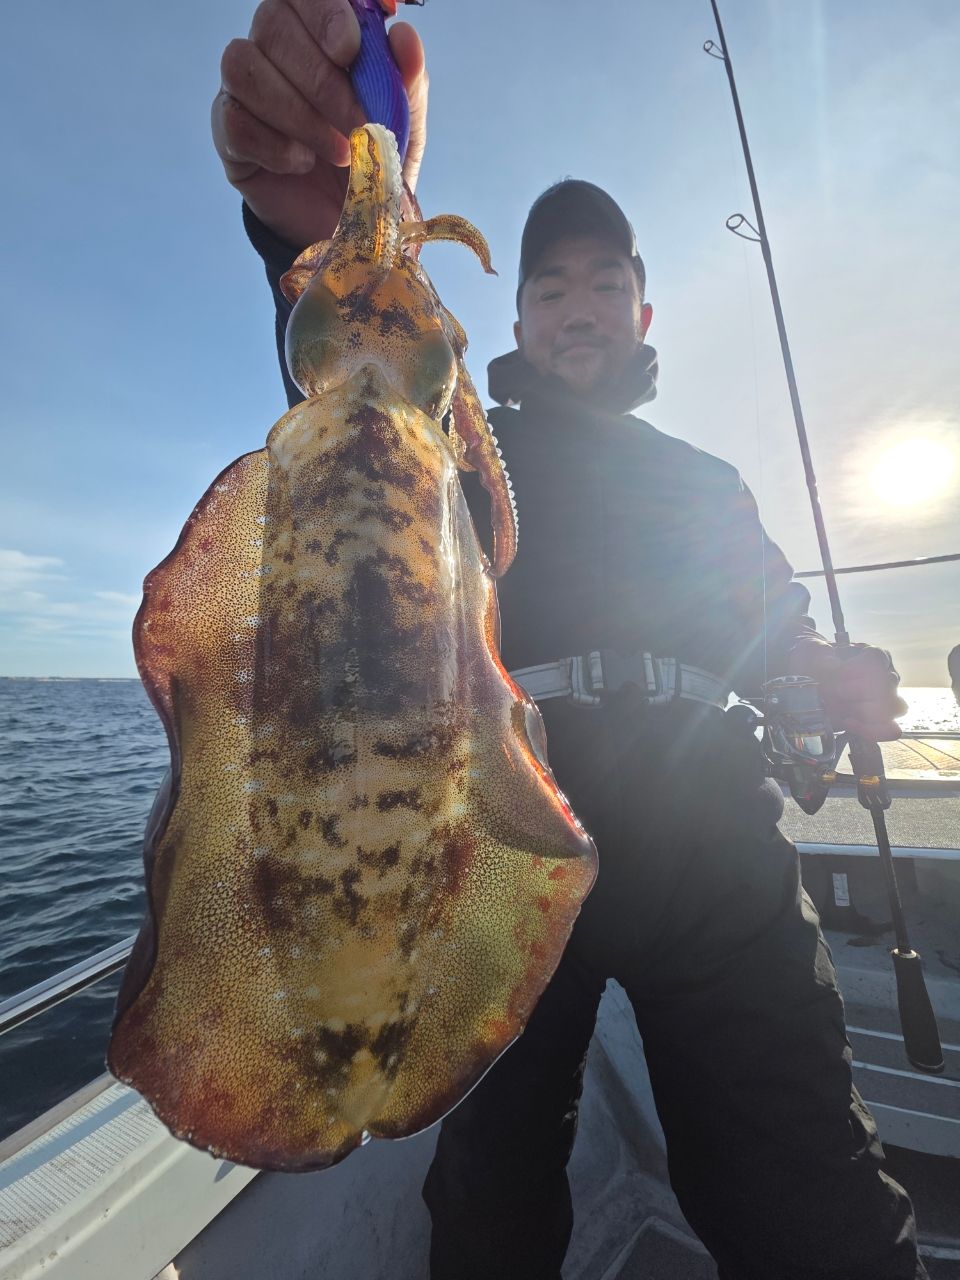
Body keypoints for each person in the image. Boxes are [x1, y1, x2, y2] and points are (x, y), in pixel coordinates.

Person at [212, 5, 925, 1277]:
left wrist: (823, 672)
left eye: (605, 282)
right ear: (518, 318)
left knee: (810, 1194)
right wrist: (307, 234)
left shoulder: (708, 481)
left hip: (712, 846)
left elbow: (772, 630)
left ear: (646, 312)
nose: (579, 303)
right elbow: (356, 402)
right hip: (507, 841)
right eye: (551, 285)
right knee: (490, 1199)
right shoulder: (459, 446)